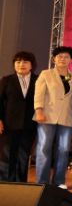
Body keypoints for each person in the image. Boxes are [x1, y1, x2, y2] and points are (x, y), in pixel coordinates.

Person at [34, 46, 72, 189]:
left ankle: (59, 181)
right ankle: (42, 181)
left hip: (67, 116)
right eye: (60, 56)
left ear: (70, 59)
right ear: (54, 59)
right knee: (44, 148)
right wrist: (39, 110)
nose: (63, 59)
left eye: (66, 57)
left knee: (64, 150)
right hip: (46, 116)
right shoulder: (46, 74)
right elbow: (39, 94)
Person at [0, 51, 38, 183]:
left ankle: (21, 183)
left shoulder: (38, 80)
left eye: (25, 62)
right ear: (14, 65)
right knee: (6, 155)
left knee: (23, 155)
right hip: (8, 125)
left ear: (32, 65)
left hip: (29, 125)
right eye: (18, 62)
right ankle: (5, 182)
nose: (21, 64)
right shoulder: (6, 80)